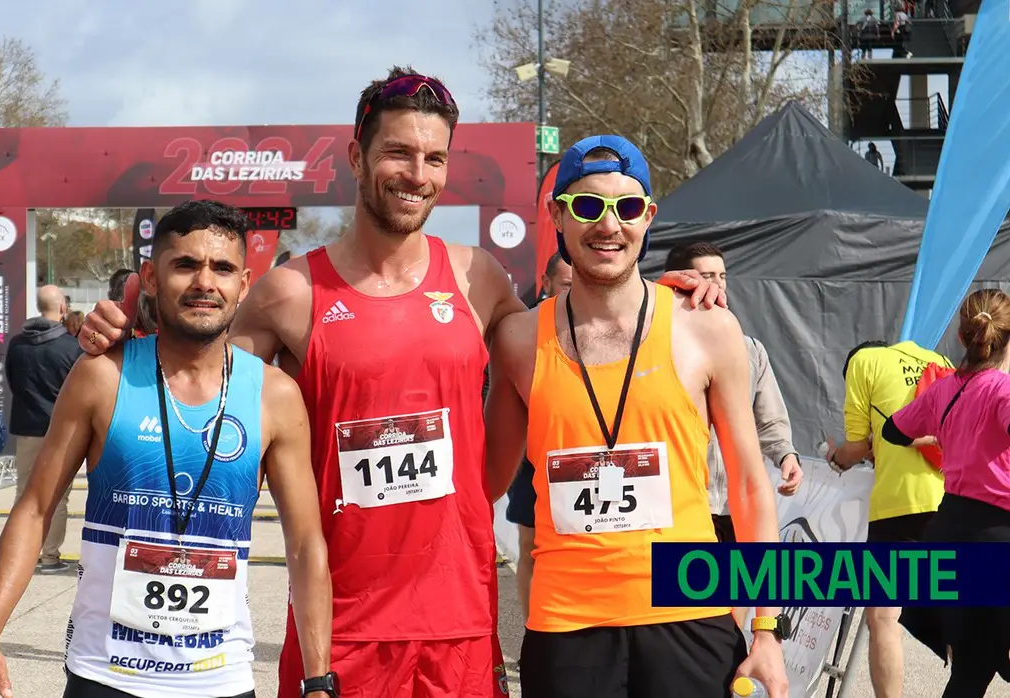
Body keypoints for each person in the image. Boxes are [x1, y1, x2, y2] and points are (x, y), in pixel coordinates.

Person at [78, 67, 725, 697]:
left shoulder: (480, 280)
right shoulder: (289, 293)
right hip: (343, 625)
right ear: (356, 156)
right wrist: (123, 337)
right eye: (399, 153)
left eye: (434, 158)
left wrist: (658, 295)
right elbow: (193, 376)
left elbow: (583, 323)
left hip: (468, 624)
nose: (418, 174)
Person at [0, 201, 333, 698]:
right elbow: (34, 508)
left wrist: (318, 680)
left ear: (244, 285)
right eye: (185, 265)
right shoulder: (101, 376)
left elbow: (306, 544)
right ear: (152, 278)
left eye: (222, 268)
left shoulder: (275, 396)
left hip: (220, 677)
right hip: (105, 673)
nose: (205, 282)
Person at [484, 136, 788, 698]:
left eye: (625, 208)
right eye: (587, 206)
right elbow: (480, 491)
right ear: (557, 214)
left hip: (690, 618)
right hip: (566, 627)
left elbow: (748, 486)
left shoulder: (707, 329)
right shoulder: (519, 340)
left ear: (648, 216)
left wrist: (768, 629)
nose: (608, 225)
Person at [883, 289, 1010, 697]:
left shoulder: (945, 390)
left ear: (961, 336)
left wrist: (936, 434)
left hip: (951, 531)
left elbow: (893, 431)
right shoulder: (1002, 391)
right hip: (996, 537)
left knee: (971, 671)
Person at [827, 336, 948, 698]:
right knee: (965, 614)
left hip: (899, 505)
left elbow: (858, 444)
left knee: (882, 617)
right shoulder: (939, 358)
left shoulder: (862, 364)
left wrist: (836, 457)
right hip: (955, 499)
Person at [662, 241, 803, 550]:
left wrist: (786, 455)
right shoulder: (654, 344)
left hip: (735, 505)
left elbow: (768, 417)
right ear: (681, 280)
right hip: (680, 504)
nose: (718, 284)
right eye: (707, 275)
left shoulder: (750, 349)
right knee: (688, 596)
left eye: (722, 275)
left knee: (739, 595)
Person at [504, 252, 571, 618]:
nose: (574, 292)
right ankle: (533, 632)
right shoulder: (520, 329)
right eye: (566, 285)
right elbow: (492, 392)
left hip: (586, 462)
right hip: (532, 461)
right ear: (545, 284)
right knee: (531, 545)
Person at [5, 284, 82, 574]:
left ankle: (19, 555)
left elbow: (12, 382)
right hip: (61, 432)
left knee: (24, 493)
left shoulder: (16, 344)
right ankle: (49, 556)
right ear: (62, 307)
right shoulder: (71, 347)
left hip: (27, 428)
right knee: (57, 496)